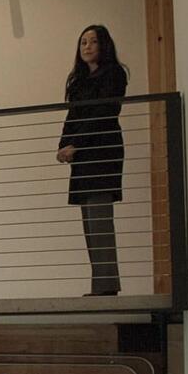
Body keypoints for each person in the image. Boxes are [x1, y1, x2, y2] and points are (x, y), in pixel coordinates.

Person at [57, 25, 128, 296]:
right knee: (89, 221)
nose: (87, 46)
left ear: (104, 45)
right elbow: (72, 115)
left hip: (102, 151)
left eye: (93, 41)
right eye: (83, 42)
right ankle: (102, 284)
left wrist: (75, 144)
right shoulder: (78, 80)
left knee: (99, 219)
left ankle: (106, 286)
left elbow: (105, 113)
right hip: (83, 155)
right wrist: (63, 144)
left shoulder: (114, 73)